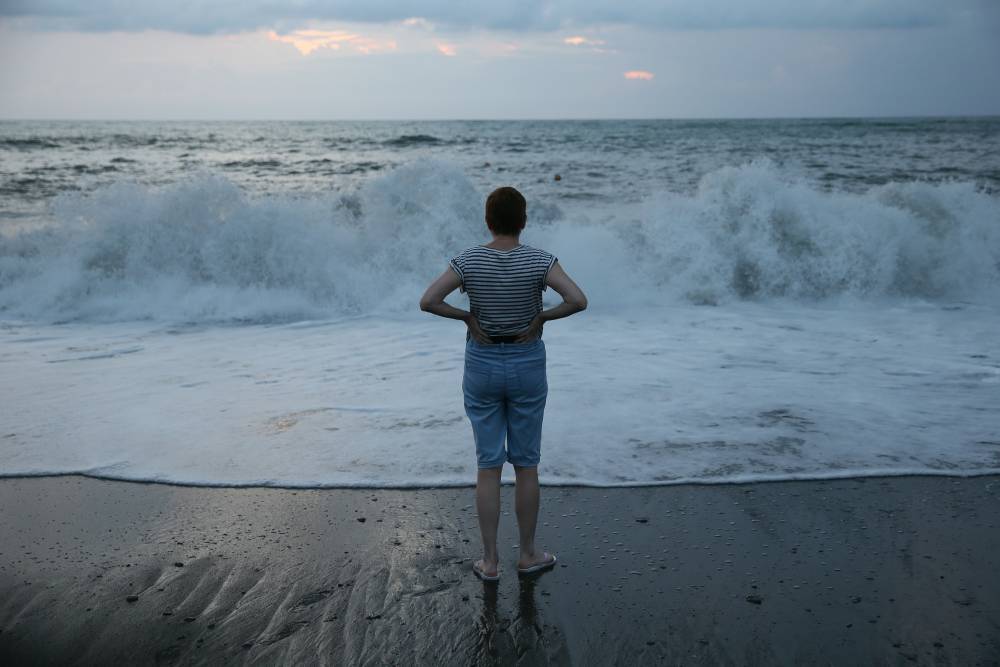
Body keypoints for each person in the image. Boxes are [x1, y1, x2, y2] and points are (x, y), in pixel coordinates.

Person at [419, 186, 587, 581]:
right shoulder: (539, 260)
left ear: (488, 221)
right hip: (527, 361)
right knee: (526, 464)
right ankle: (528, 554)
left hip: (482, 363)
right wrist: (542, 318)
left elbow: (428, 300)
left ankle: (490, 561)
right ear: (523, 221)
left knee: (488, 465)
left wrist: (466, 318)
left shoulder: (469, 260)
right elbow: (578, 300)